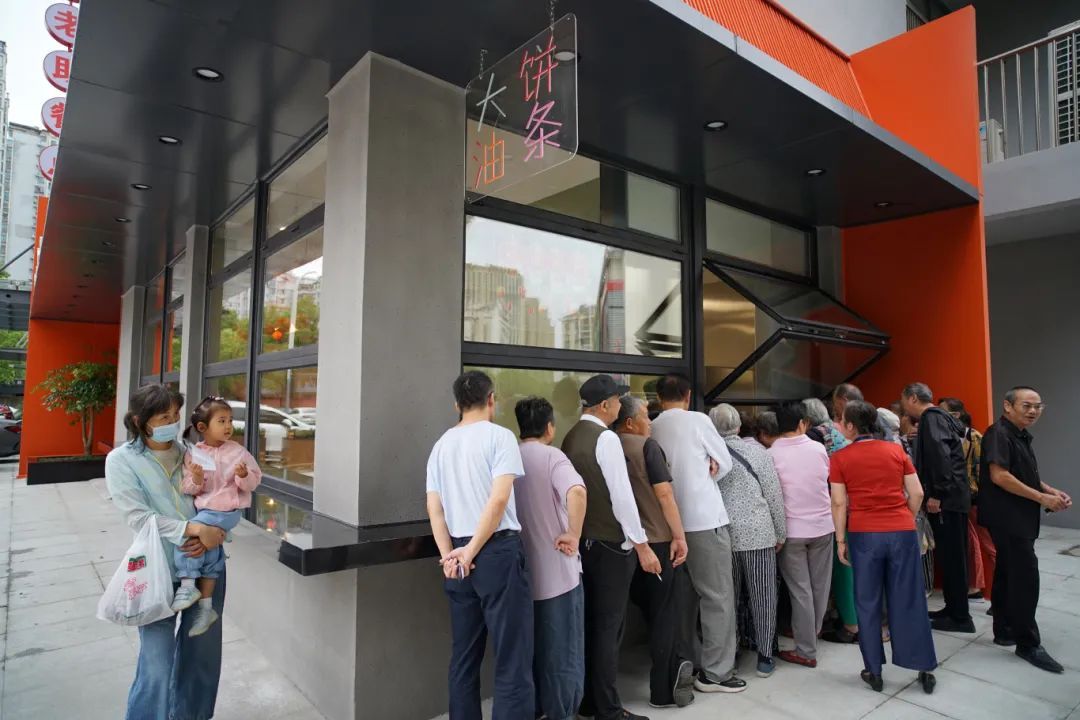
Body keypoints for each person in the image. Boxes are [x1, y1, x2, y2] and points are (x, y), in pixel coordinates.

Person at [105, 385, 228, 720]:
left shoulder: (194, 452)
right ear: (139, 421)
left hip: (205, 567)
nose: (173, 422)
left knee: (201, 657)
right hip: (157, 569)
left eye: (176, 415)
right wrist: (193, 530)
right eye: (163, 417)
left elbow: (222, 496)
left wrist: (214, 534)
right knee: (157, 663)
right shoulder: (121, 461)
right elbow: (138, 517)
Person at [425, 371, 533, 719]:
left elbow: (435, 509)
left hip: (457, 556)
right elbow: (499, 500)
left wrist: (449, 557)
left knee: (464, 656)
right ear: (491, 399)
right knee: (512, 655)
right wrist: (470, 552)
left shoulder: (441, 445)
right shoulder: (500, 437)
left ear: (456, 404)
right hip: (495, 553)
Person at [562, 374, 660, 720]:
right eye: (618, 400)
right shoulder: (605, 439)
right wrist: (642, 545)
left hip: (584, 544)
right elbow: (622, 498)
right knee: (608, 628)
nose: (620, 405)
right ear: (604, 405)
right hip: (610, 546)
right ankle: (608, 709)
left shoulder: (571, 436)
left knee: (591, 625)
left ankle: (589, 700)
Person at [830, 401, 937, 695]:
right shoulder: (896, 451)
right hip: (901, 531)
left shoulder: (840, 458)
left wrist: (840, 540)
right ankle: (923, 665)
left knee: (867, 600)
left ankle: (874, 671)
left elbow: (838, 502)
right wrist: (905, 516)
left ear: (850, 426)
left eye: (841, 420)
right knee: (909, 598)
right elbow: (916, 493)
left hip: (864, 534)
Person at [650, 373, 745, 694]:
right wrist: (711, 469)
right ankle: (716, 673)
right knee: (717, 596)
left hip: (669, 525)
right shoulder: (698, 421)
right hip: (704, 520)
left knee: (683, 599)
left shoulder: (653, 426)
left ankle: (688, 660)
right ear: (688, 395)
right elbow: (725, 462)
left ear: (659, 398)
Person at [979, 386, 1072, 673]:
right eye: (1026, 405)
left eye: (1037, 406)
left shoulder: (1019, 434)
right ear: (1008, 406)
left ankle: (1005, 629)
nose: (1033, 411)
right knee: (1025, 578)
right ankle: (1028, 643)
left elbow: (1024, 474)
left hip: (1017, 516)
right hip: (1008, 517)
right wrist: (1043, 498)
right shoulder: (999, 433)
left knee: (1008, 572)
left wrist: (1049, 491)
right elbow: (1000, 476)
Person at [614, 395, 695, 709]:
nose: (650, 422)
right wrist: (679, 536)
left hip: (619, 546)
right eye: (646, 416)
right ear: (630, 422)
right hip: (656, 541)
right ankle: (663, 689)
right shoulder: (646, 447)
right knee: (664, 614)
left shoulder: (606, 445)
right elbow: (664, 495)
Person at [513, 397, 587, 720]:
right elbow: (577, 491)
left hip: (522, 575)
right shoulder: (553, 457)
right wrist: (573, 533)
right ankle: (562, 712)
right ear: (549, 427)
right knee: (562, 653)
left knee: (531, 651)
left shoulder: (509, 458)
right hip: (558, 574)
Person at [709, 404, 787, 678]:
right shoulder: (758, 453)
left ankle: (730, 654)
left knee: (727, 600)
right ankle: (765, 656)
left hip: (723, 535)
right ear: (739, 426)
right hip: (758, 532)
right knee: (763, 596)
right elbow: (773, 495)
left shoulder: (708, 455)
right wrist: (780, 532)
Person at [175, 396, 262, 637]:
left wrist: (243, 476)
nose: (228, 426)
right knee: (210, 556)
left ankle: (187, 585)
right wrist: (197, 478)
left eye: (230, 420)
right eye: (222, 421)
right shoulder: (194, 455)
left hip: (226, 512)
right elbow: (188, 489)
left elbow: (254, 482)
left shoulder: (239, 452)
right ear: (202, 427)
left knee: (187, 539)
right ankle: (206, 608)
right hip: (207, 512)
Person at [901, 382, 973, 633]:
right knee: (952, 556)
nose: (903, 406)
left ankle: (960, 617)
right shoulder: (940, 417)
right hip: (954, 498)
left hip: (947, 500)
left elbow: (940, 458)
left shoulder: (931, 418)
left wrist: (937, 494)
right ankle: (953, 609)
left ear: (912, 398)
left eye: (904, 400)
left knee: (953, 558)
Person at [769, 402, 833, 668]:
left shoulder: (771, 453)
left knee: (800, 591)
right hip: (823, 526)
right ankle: (810, 635)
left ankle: (806, 649)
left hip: (792, 531)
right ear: (802, 423)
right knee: (819, 587)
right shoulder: (818, 449)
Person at [940, 398, 994, 601]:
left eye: (943, 412)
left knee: (986, 544)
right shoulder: (948, 436)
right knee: (970, 543)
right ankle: (974, 586)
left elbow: (982, 470)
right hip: (959, 498)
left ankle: (995, 591)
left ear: (956, 415)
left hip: (974, 498)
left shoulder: (974, 437)